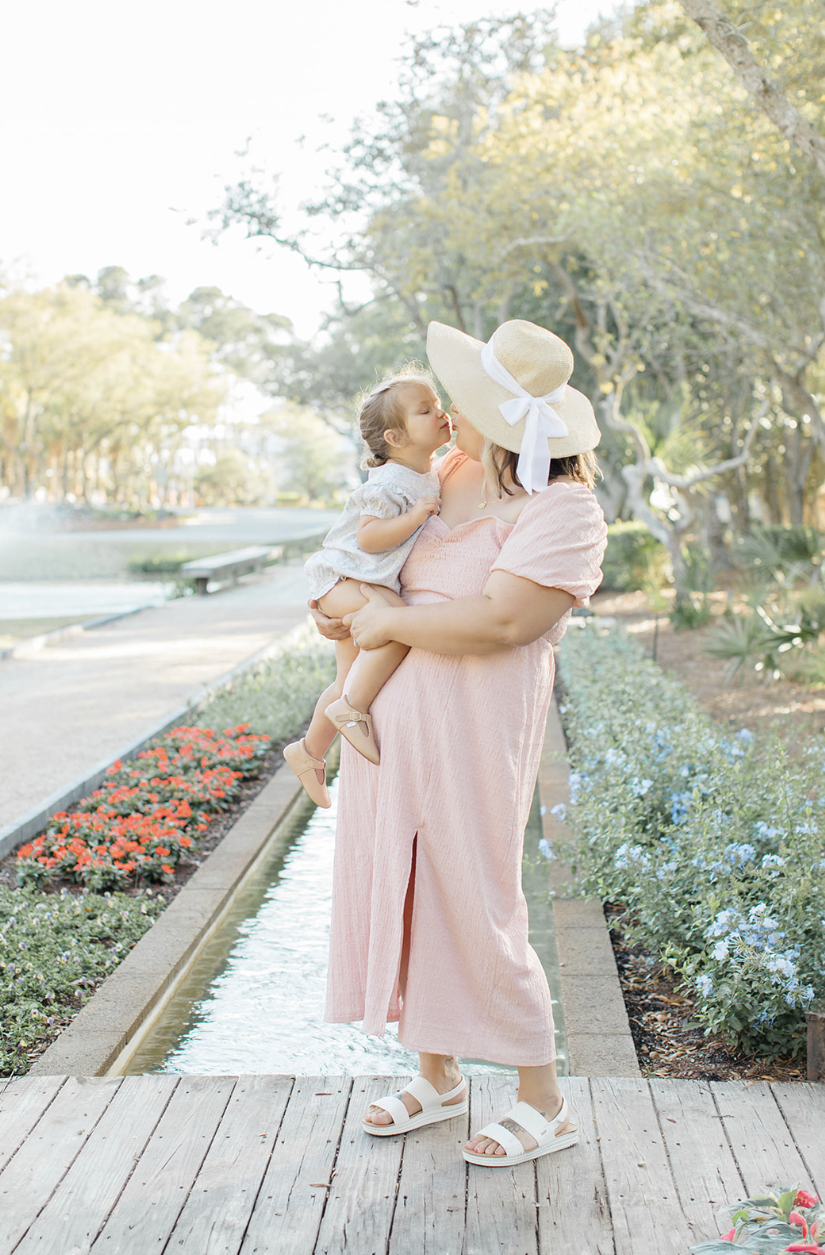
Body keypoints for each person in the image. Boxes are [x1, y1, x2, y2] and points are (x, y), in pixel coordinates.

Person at [312, 318, 608, 1167]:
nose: (447, 410)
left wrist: (385, 617)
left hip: (473, 734)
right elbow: (362, 565)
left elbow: (502, 620)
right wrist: (338, 602)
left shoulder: (562, 509)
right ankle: (435, 1074)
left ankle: (543, 1100)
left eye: (463, 400)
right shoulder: (440, 476)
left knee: (478, 897)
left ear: (497, 416)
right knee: (404, 890)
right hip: (389, 738)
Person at [283, 370, 452, 807]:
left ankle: (309, 752)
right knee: (397, 623)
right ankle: (352, 708)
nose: (442, 412)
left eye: (438, 403)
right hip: (345, 578)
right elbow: (369, 538)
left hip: (356, 580)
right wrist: (416, 516)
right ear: (395, 437)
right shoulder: (391, 482)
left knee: (345, 674)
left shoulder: (428, 472)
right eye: (426, 410)